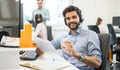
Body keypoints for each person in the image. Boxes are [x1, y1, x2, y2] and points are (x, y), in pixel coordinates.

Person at [50, 5, 102, 70]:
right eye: (68, 18)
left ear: (79, 18)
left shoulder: (91, 35)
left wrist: (75, 54)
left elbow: (97, 62)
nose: (71, 20)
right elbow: (48, 46)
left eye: (74, 17)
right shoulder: (63, 37)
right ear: (65, 21)